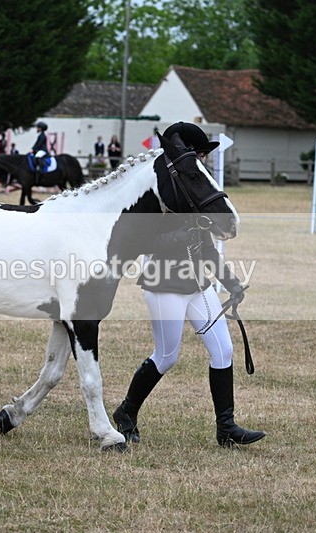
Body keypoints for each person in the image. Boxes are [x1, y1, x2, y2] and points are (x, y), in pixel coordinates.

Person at [112, 121, 265, 449]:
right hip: (163, 284)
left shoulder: (195, 192)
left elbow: (207, 247)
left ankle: (226, 427)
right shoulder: (160, 193)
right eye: (199, 154)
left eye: (203, 156)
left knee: (223, 350)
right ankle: (126, 411)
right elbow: (147, 241)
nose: (203, 161)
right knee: (167, 356)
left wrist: (230, 281)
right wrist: (187, 231)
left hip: (198, 285)